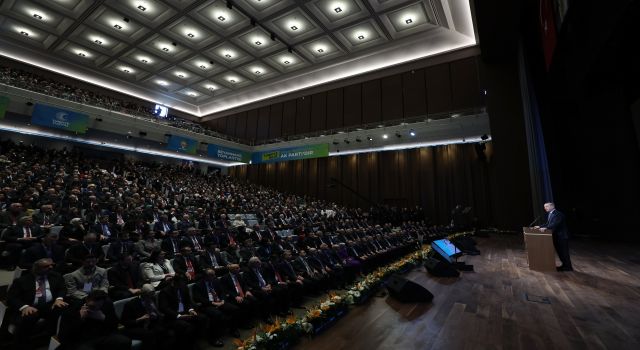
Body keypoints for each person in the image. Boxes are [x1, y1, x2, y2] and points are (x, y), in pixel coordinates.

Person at [7, 258, 69, 349]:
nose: (51, 267)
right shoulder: (21, 281)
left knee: (63, 307)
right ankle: (21, 344)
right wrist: (24, 307)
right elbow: (11, 298)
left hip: (49, 305)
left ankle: (53, 338)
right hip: (31, 307)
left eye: (52, 265)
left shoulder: (56, 276)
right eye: (46, 266)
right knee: (29, 316)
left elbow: (62, 288)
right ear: (36, 268)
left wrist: (59, 299)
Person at [58, 290, 131, 350]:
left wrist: (103, 318)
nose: (96, 309)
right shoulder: (72, 309)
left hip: (102, 336)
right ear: (86, 300)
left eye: (99, 306)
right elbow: (63, 337)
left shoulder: (106, 304)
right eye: (92, 306)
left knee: (124, 341)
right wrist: (81, 319)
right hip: (81, 340)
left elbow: (115, 324)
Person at [121, 284, 175, 350]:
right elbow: (125, 322)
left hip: (150, 323)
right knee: (150, 335)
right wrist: (139, 319)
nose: (152, 297)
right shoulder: (130, 304)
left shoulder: (152, 299)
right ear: (143, 294)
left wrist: (158, 314)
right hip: (136, 326)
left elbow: (156, 314)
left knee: (166, 331)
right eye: (149, 296)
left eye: (152, 295)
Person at [535, 202, 573, 271]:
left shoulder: (558, 214)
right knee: (560, 253)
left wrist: (546, 228)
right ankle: (564, 266)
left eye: (546, 206)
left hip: (562, 237)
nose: (545, 208)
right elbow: (548, 224)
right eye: (544, 206)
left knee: (564, 252)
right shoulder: (550, 214)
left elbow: (555, 224)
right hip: (557, 237)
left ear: (552, 206)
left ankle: (568, 267)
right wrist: (539, 226)